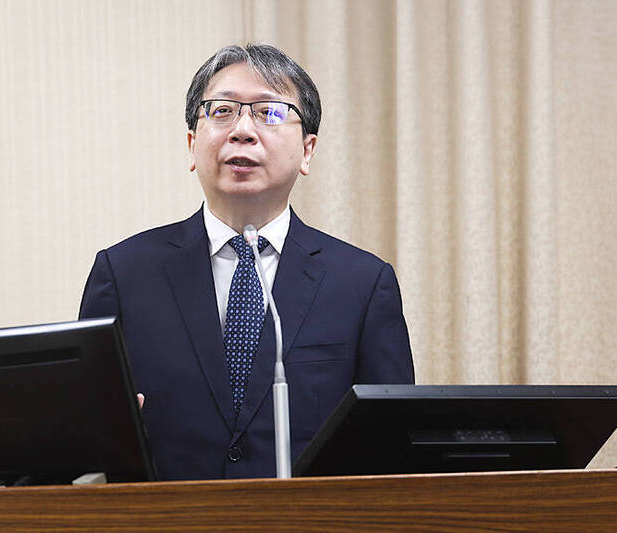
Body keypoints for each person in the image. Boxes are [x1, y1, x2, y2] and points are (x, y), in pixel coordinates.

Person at [79, 44, 414, 480]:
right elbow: (82, 444)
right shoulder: (123, 275)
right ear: (191, 144)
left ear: (308, 150)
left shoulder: (363, 284)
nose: (242, 130)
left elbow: (395, 446)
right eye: (221, 111)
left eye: (269, 113)